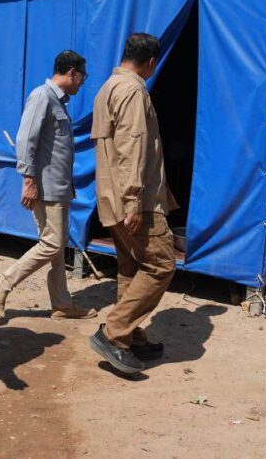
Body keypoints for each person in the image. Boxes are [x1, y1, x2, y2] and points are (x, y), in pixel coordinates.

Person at [88, 33, 177, 375]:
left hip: (110, 196)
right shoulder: (133, 90)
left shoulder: (107, 88)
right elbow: (132, 146)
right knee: (160, 264)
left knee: (130, 266)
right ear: (151, 62)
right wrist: (134, 201)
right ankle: (114, 333)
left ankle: (129, 337)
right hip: (134, 201)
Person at [0, 50, 96, 323]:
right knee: (51, 244)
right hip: (46, 188)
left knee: (56, 248)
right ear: (72, 72)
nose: (82, 82)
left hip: (58, 187)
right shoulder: (42, 96)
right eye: (82, 76)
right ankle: (4, 281)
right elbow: (26, 139)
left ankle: (62, 304)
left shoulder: (58, 101)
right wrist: (28, 180)